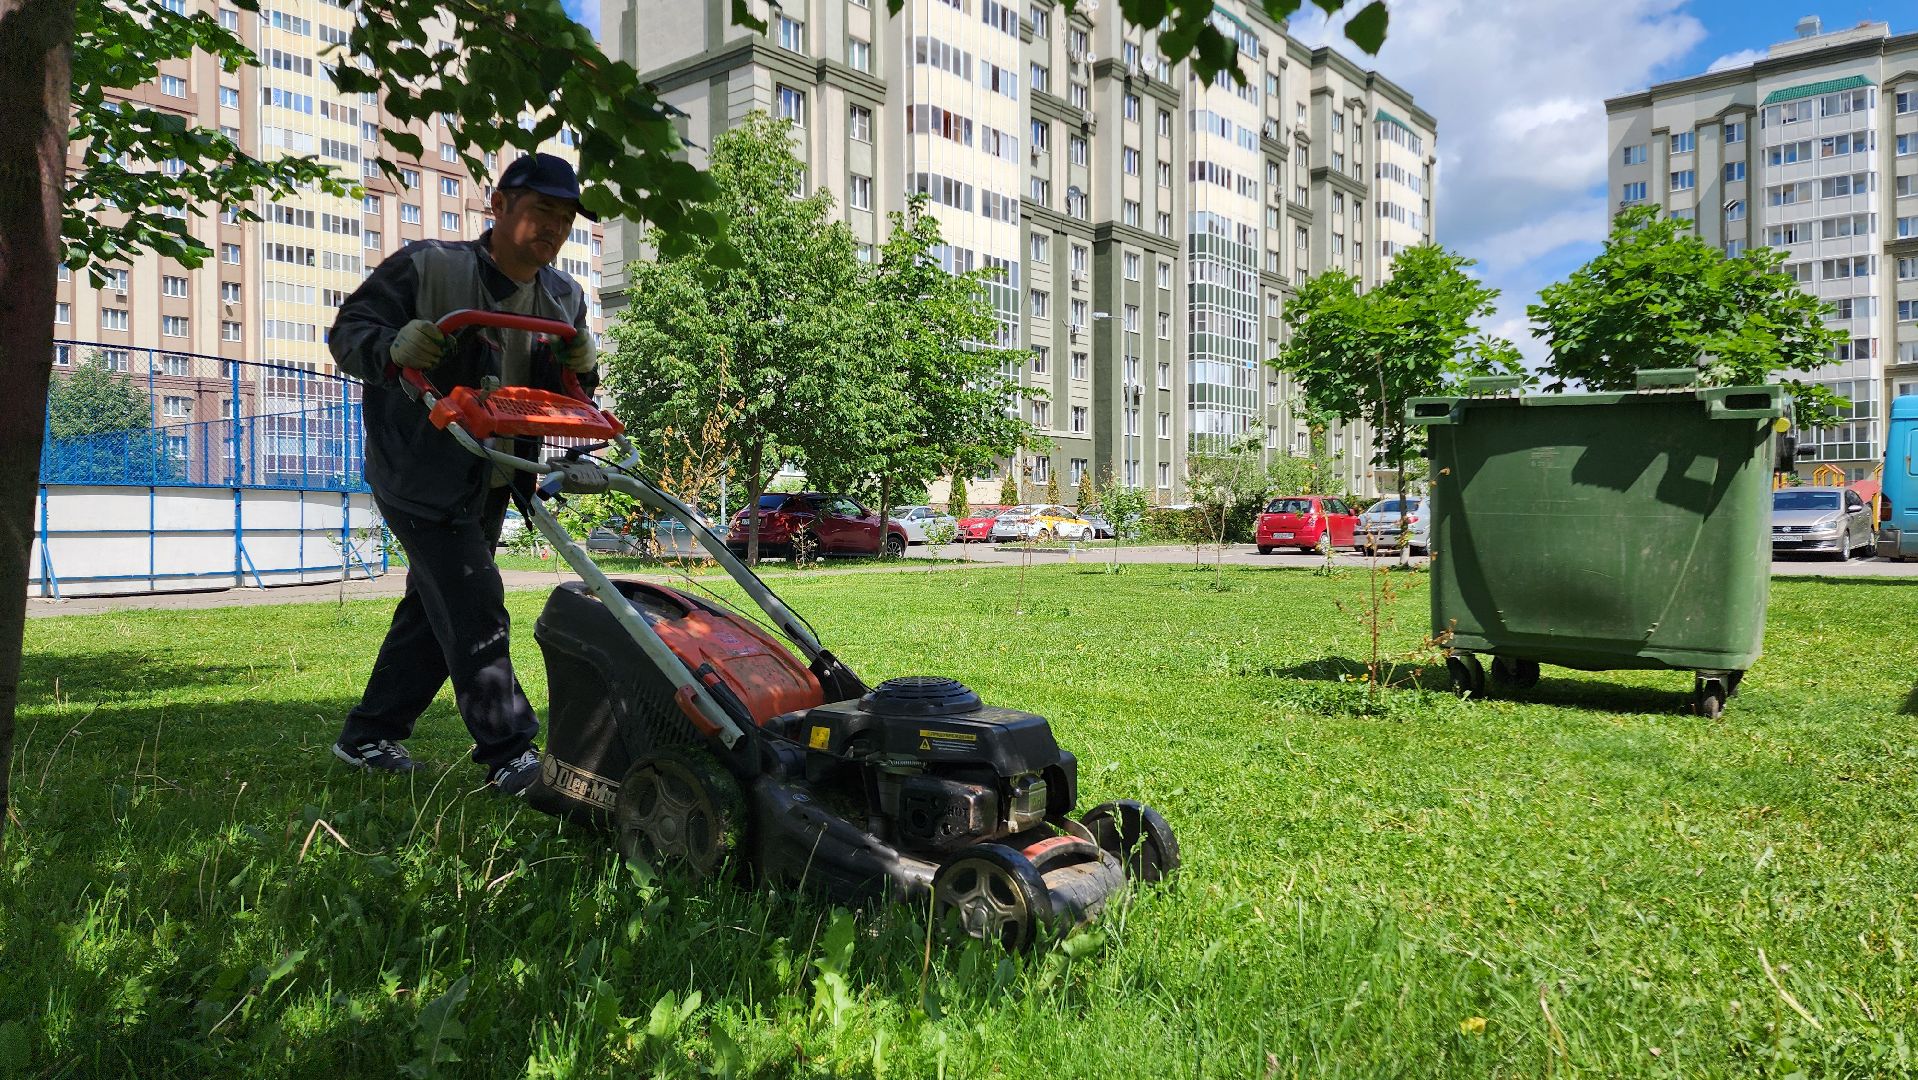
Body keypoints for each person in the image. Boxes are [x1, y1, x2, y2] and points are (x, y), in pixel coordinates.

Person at [327, 153, 598, 794]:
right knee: (474, 600)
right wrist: (392, 348)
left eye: (565, 220)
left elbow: (570, 390)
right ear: (499, 207)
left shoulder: (564, 297)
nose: (553, 230)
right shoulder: (427, 267)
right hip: (418, 469)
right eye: (541, 213)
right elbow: (349, 333)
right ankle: (510, 752)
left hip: (496, 472)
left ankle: (367, 737)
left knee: (434, 606)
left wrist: (584, 362)